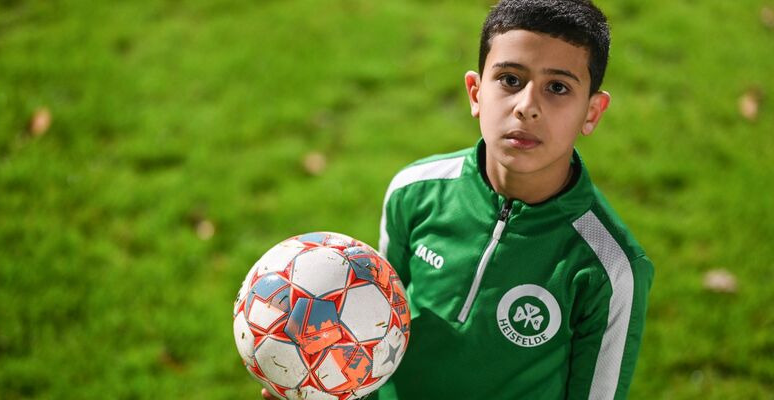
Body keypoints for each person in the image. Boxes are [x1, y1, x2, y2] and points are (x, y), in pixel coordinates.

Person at [264, 0, 653, 398]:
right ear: (476, 92)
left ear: (592, 112)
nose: (527, 107)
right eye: (510, 80)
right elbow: (372, 326)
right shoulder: (414, 192)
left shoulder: (610, 267)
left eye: (557, 87)